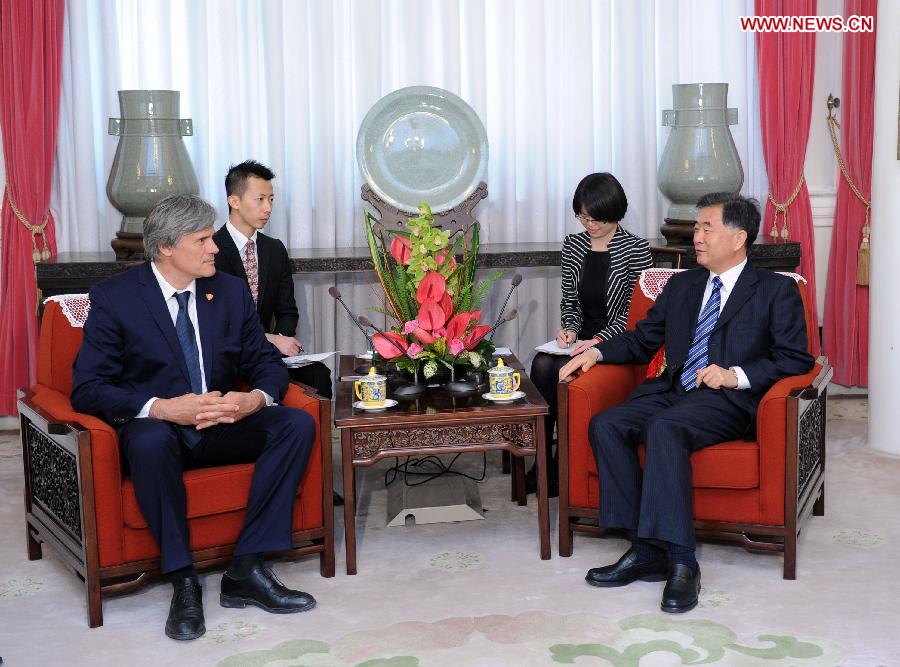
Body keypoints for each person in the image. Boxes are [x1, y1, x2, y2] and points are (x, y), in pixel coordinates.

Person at [72, 195, 319, 641]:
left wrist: (257, 399)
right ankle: (183, 577)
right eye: (203, 240)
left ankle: (246, 566)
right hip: (159, 430)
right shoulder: (116, 298)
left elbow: (264, 361)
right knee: (148, 439)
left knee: (296, 424)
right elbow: (88, 387)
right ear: (167, 248)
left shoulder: (227, 290)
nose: (214, 248)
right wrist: (162, 408)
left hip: (222, 424)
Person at [559, 192, 813, 613]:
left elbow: (796, 358)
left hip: (727, 399)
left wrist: (737, 375)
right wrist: (597, 352)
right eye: (696, 228)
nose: (696, 236)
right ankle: (645, 549)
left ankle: (682, 560)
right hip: (674, 389)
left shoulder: (774, 290)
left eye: (706, 228)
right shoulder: (683, 284)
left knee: (665, 428)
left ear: (738, 238)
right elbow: (644, 338)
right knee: (608, 424)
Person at [526, 173, 652, 497]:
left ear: (615, 211)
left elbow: (632, 314)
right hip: (580, 335)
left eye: (595, 218)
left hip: (615, 341)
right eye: (583, 217)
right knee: (542, 364)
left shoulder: (635, 249)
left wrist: (597, 342)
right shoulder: (574, 244)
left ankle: (563, 463)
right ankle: (546, 463)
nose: (589, 224)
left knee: (561, 373)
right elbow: (569, 300)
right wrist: (568, 330)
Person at [214, 160, 333, 400]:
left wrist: (282, 339)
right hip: (227, 350)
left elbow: (288, 311)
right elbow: (218, 318)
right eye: (260, 199)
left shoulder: (274, 249)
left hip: (265, 352)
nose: (268, 208)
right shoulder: (212, 250)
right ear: (234, 201)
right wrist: (270, 340)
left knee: (319, 375)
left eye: (271, 199)